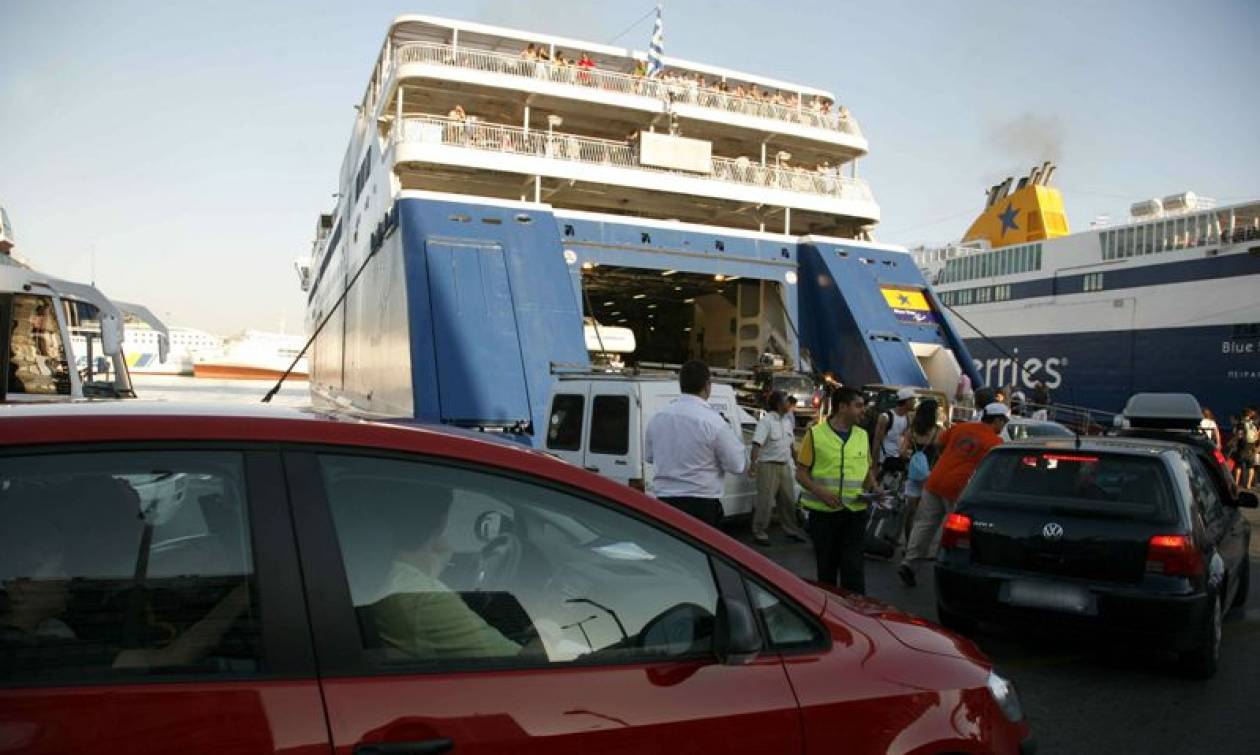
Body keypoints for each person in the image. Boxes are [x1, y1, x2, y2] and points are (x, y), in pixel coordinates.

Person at [362, 483, 524, 660]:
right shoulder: (424, 600)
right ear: (442, 522)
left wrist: (437, 557)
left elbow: (434, 558)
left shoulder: (376, 570)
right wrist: (549, 630)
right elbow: (517, 660)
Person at [898, 402, 1009, 587]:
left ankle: (909, 563)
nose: (1003, 427)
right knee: (957, 532)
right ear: (996, 420)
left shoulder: (960, 427)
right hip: (958, 490)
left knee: (924, 524)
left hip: (934, 481)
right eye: (1003, 422)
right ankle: (950, 566)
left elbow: (941, 445)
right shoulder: (995, 442)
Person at [644, 360, 747, 526]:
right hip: (702, 505)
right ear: (707, 386)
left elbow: (649, 457)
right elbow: (737, 465)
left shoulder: (658, 418)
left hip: (665, 503)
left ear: (680, 384)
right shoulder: (714, 422)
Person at [796, 386, 878, 593]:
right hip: (824, 516)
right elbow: (801, 474)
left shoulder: (861, 435)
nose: (863, 410)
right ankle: (831, 615)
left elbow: (867, 470)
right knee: (827, 572)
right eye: (858, 406)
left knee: (854, 570)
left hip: (855, 513)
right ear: (842, 407)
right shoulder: (815, 435)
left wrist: (875, 489)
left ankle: (856, 617)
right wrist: (821, 493)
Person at [748, 391, 808, 546]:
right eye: (786, 401)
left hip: (784, 465)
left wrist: (797, 463)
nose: (789, 404)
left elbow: (791, 446)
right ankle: (759, 531)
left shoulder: (787, 422)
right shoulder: (766, 422)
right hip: (768, 466)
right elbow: (756, 444)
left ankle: (791, 530)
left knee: (788, 500)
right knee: (766, 502)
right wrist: (753, 465)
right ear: (779, 404)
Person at [898, 398, 942, 547]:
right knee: (926, 516)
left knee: (910, 512)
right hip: (931, 477)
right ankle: (920, 547)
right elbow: (942, 455)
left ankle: (908, 544)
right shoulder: (939, 432)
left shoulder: (911, 431)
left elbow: (902, 452)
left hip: (913, 476)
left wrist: (915, 459)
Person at [872, 387, 916, 483]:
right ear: (906, 401)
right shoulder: (885, 417)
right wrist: (874, 466)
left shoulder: (907, 418)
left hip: (897, 462)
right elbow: (877, 441)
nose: (915, 403)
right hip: (883, 463)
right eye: (913, 400)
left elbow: (905, 439)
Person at [1234, 408, 1259, 489]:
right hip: (1251, 447)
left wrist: (1234, 440)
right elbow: (1256, 436)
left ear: (1243, 414)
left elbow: (1239, 435)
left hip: (1242, 447)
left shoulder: (1241, 423)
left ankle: (1236, 483)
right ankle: (1248, 484)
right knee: (1251, 467)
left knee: (1238, 466)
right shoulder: (1254, 424)